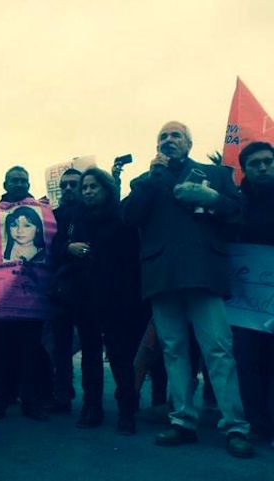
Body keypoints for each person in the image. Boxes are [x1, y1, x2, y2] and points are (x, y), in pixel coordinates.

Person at [121, 121, 253, 457]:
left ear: (189, 144)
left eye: (175, 135)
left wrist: (214, 199)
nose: (168, 140)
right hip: (162, 276)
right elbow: (128, 217)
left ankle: (235, 426)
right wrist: (150, 180)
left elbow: (238, 213)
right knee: (173, 352)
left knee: (219, 351)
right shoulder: (146, 179)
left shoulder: (217, 175)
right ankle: (182, 421)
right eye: (162, 136)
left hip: (203, 273)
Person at [53, 167, 147, 434]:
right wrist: (68, 248)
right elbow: (55, 246)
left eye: (93, 187)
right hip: (84, 298)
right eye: (85, 188)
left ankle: (127, 409)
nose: (87, 192)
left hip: (117, 299)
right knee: (90, 355)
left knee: (120, 355)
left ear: (107, 189)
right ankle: (92, 407)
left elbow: (132, 263)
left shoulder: (122, 218)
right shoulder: (75, 218)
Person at [0, 166, 52, 421]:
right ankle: (0, 400)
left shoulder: (43, 210)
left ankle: (31, 401)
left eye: (23, 180)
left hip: (32, 298)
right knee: (2, 352)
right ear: (5, 183)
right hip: (3, 297)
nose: (19, 183)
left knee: (30, 353)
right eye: (14, 180)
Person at [232, 141, 274, 444]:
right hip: (244, 301)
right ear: (244, 169)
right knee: (247, 360)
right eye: (255, 163)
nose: (263, 167)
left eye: (268, 161)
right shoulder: (235, 203)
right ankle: (257, 423)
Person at [48, 168, 83, 413]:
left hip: (90, 287)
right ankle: (62, 393)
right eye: (65, 185)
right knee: (59, 344)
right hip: (61, 288)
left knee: (91, 345)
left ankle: (92, 400)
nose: (69, 189)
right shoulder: (52, 215)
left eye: (74, 184)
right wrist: (67, 248)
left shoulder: (93, 213)